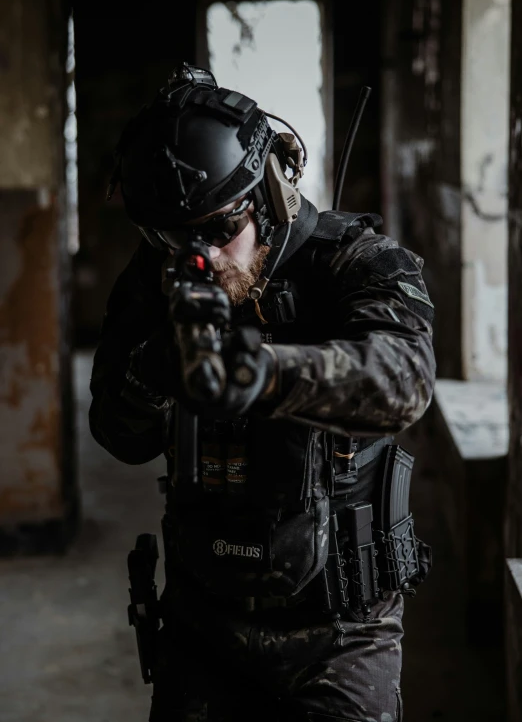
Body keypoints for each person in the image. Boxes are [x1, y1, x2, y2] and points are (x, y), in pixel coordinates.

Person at [89, 63, 436, 722]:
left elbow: (406, 381)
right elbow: (118, 434)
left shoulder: (351, 261)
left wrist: (261, 372)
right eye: (171, 238)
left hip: (340, 635)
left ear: (269, 191)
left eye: (221, 228)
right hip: (203, 627)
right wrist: (153, 374)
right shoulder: (152, 283)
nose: (206, 258)